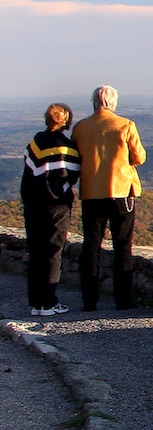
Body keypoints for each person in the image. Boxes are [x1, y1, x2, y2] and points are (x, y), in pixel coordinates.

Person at [72, 85, 146, 311]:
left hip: (92, 192)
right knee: (122, 246)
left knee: (91, 246)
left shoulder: (81, 128)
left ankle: (89, 300)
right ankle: (123, 300)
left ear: (94, 102)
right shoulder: (125, 125)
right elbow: (139, 157)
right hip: (121, 192)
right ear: (113, 103)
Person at [20, 103, 80, 316]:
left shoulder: (35, 142)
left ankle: (35, 302)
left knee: (35, 250)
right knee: (53, 252)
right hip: (56, 206)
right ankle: (48, 302)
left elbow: (29, 173)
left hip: (32, 203)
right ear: (66, 121)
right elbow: (71, 177)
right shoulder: (68, 147)